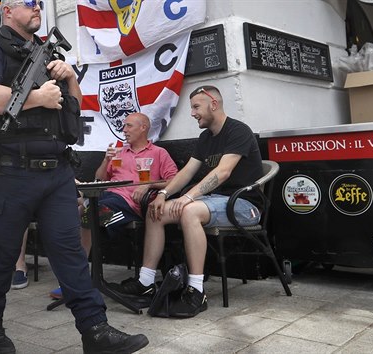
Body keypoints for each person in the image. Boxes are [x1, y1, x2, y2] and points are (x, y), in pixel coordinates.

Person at [0, 0, 149, 352]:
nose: (37, 8)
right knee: (1, 256)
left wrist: (69, 79)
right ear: (7, 10)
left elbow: (72, 107)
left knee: (71, 255)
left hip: (57, 173)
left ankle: (95, 331)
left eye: (39, 3)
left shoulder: (44, 53)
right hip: (10, 173)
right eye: (28, 3)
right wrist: (37, 96)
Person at [111, 86, 263, 318]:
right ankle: (146, 282)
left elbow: (222, 173)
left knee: (189, 211)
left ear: (213, 103)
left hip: (242, 204)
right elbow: (186, 172)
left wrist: (188, 197)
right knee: (156, 211)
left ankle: (196, 290)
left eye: (196, 107)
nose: (192, 113)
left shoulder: (238, 130)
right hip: (212, 202)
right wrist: (162, 195)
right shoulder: (205, 138)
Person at [50, 113, 178, 300]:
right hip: (107, 197)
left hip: (130, 204)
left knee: (86, 213)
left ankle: (77, 280)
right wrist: (105, 160)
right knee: (83, 212)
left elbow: (174, 180)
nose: (124, 130)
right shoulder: (119, 152)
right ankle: (77, 278)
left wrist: (150, 184)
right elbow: (100, 179)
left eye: (129, 126)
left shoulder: (158, 153)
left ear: (143, 127)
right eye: (124, 126)